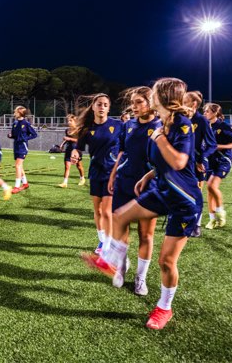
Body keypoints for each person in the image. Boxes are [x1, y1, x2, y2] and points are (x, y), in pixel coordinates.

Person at [82, 77, 202, 330]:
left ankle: (163, 308)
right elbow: (161, 162)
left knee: (166, 262)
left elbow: (180, 162)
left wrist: (158, 138)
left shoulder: (180, 124)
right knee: (120, 216)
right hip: (160, 189)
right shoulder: (163, 124)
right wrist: (149, 175)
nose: (147, 100)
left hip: (184, 199)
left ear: (161, 98)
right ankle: (112, 262)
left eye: (153, 94)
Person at [107, 86, 161, 295]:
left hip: (148, 187)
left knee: (146, 234)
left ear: (151, 103)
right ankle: (120, 267)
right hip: (124, 181)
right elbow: (122, 152)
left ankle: (141, 278)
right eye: (133, 102)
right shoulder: (128, 124)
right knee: (120, 228)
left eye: (139, 102)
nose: (134, 106)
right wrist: (113, 175)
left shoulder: (160, 126)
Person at [70, 94, 124, 255]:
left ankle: (108, 245)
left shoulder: (118, 125)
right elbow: (78, 148)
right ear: (93, 107)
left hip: (112, 173)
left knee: (107, 211)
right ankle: (102, 240)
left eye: (105, 105)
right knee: (98, 210)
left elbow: (125, 147)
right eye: (99, 104)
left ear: (109, 108)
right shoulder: (87, 129)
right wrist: (75, 153)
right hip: (95, 172)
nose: (102, 107)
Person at [183, 91, 217, 236]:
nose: (182, 103)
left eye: (185, 101)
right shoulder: (178, 118)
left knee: (196, 194)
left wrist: (201, 159)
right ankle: (182, 221)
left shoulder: (202, 121)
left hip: (196, 164)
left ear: (194, 104)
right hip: (180, 163)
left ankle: (196, 225)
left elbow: (212, 145)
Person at [202, 103, 232, 228]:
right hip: (210, 160)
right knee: (209, 189)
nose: (205, 113)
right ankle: (212, 219)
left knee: (212, 186)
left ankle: (220, 212)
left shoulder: (223, 126)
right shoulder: (205, 126)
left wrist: (220, 147)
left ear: (215, 113)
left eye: (207, 111)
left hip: (223, 160)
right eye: (204, 111)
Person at [7, 106, 38, 193]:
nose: (14, 113)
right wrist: (10, 135)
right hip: (16, 146)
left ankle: (16, 186)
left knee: (17, 165)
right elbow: (14, 135)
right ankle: (25, 183)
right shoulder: (15, 123)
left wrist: (25, 138)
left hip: (22, 147)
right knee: (19, 166)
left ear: (20, 113)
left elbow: (34, 134)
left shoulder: (26, 123)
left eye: (15, 112)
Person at [58, 114, 85, 188]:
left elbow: (79, 141)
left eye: (71, 120)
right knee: (67, 166)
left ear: (75, 121)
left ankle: (82, 178)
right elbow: (67, 139)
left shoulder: (79, 130)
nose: (69, 122)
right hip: (68, 149)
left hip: (76, 150)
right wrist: (62, 144)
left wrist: (69, 139)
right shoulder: (67, 130)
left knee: (79, 166)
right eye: (68, 121)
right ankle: (65, 183)